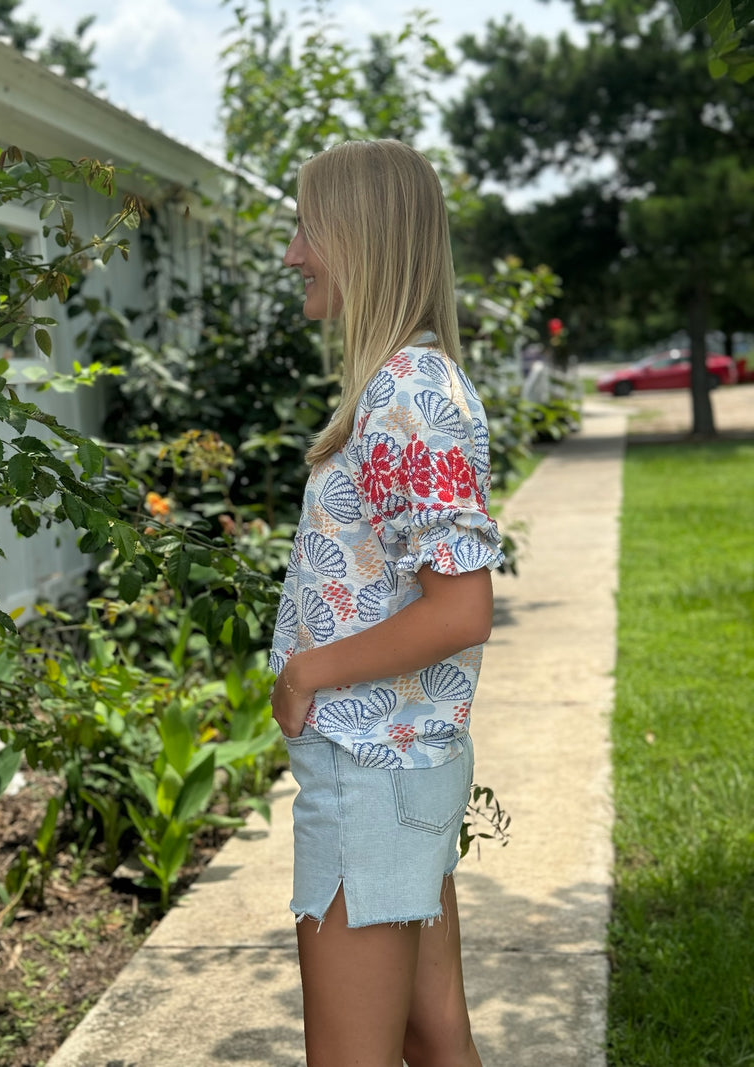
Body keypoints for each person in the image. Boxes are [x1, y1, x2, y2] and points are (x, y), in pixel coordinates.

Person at [269, 139, 504, 1067]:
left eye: (307, 228)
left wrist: (307, 668)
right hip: (401, 763)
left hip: (370, 771)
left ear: (361, 237)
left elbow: (459, 609)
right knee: (434, 1031)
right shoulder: (408, 381)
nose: (293, 252)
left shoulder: (406, 389)